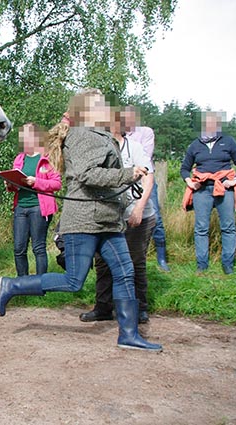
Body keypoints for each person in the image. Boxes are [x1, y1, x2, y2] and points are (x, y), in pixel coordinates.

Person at [0, 89, 162, 352]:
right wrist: (127, 174)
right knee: (74, 281)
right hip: (84, 221)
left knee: (125, 273)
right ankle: (12, 285)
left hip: (107, 220)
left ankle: (128, 335)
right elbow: (87, 175)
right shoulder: (83, 135)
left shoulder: (101, 135)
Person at [79, 107, 157, 324]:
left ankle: (140, 308)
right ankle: (103, 307)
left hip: (137, 213)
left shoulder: (135, 148)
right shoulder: (99, 149)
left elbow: (148, 179)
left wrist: (139, 209)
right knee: (103, 261)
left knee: (135, 261)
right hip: (110, 215)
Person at [180, 111, 236, 275]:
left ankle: (228, 265)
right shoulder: (195, 145)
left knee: (228, 227)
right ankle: (202, 266)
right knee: (201, 228)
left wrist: (234, 181)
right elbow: (184, 168)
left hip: (225, 189)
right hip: (202, 190)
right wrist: (190, 182)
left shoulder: (228, 141)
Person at [5, 123, 62, 276]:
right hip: (20, 207)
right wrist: (10, 183)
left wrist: (36, 182)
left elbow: (56, 184)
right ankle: (22, 283)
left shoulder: (47, 159)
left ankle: (40, 284)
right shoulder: (19, 159)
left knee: (38, 247)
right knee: (19, 248)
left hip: (39, 207)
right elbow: (15, 185)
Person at [122, 106, 170, 271]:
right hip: (125, 182)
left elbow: (144, 158)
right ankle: (129, 254)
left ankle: (161, 258)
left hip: (144, 180)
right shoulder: (119, 135)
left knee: (154, 215)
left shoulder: (145, 132)